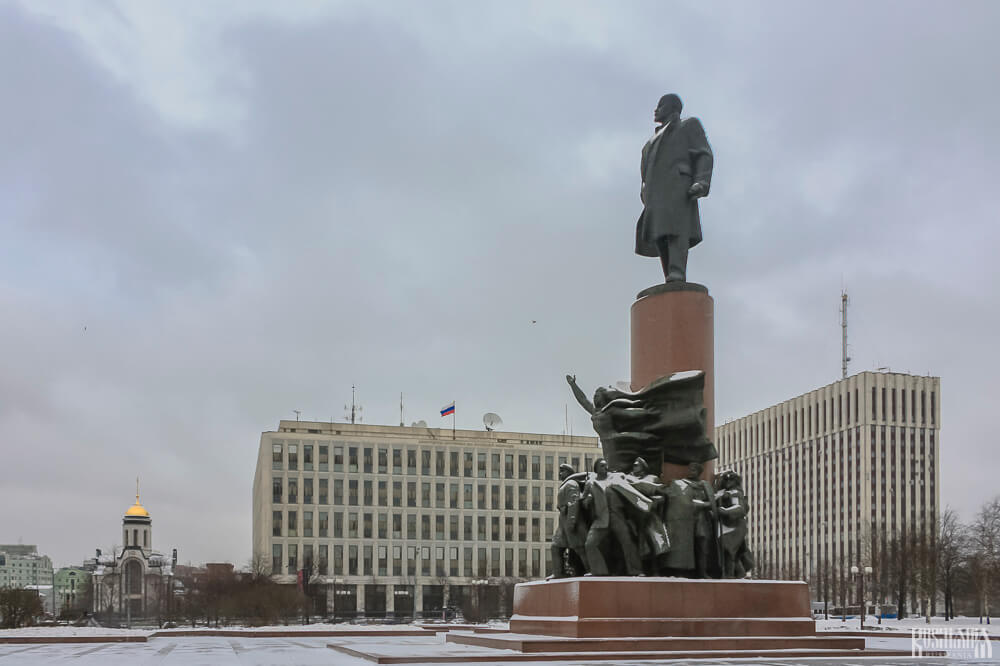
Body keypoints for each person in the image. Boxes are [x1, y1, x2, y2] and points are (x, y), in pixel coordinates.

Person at [635, 94, 714, 282]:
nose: (656, 109)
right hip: (655, 194)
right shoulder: (649, 143)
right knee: (659, 233)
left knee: (677, 230)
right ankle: (669, 275)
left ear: (672, 108)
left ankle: (677, 271)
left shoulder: (688, 126)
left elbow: (704, 153)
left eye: (660, 105)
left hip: (678, 186)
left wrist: (702, 181)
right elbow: (645, 172)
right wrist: (645, 191)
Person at [581, 459, 648, 576]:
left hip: (617, 515)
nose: (605, 468)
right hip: (601, 518)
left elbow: (634, 485)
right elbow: (583, 502)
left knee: (627, 542)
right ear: (596, 469)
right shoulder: (590, 483)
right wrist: (588, 500)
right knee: (590, 544)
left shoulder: (616, 477)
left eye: (606, 466)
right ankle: (599, 571)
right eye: (602, 466)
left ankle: (636, 570)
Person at [663, 462, 718, 577]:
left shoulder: (704, 485)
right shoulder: (680, 484)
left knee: (702, 545)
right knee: (683, 545)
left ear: (699, 472)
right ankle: (681, 570)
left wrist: (700, 505)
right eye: (689, 469)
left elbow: (712, 504)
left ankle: (702, 571)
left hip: (701, 519)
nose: (690, 472)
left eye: (693, 470)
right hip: (684, 520)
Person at [549, 464, 589, 578]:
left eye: (562, 471)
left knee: (580, 549)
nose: (560, 474)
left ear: (569, 472)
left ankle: (591, 571)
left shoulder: (571, 484)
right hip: (563, 523)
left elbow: (573, 503)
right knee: (555, 547)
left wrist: (572, 522)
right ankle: (558, 573)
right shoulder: (565, 485)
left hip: (571, 522)